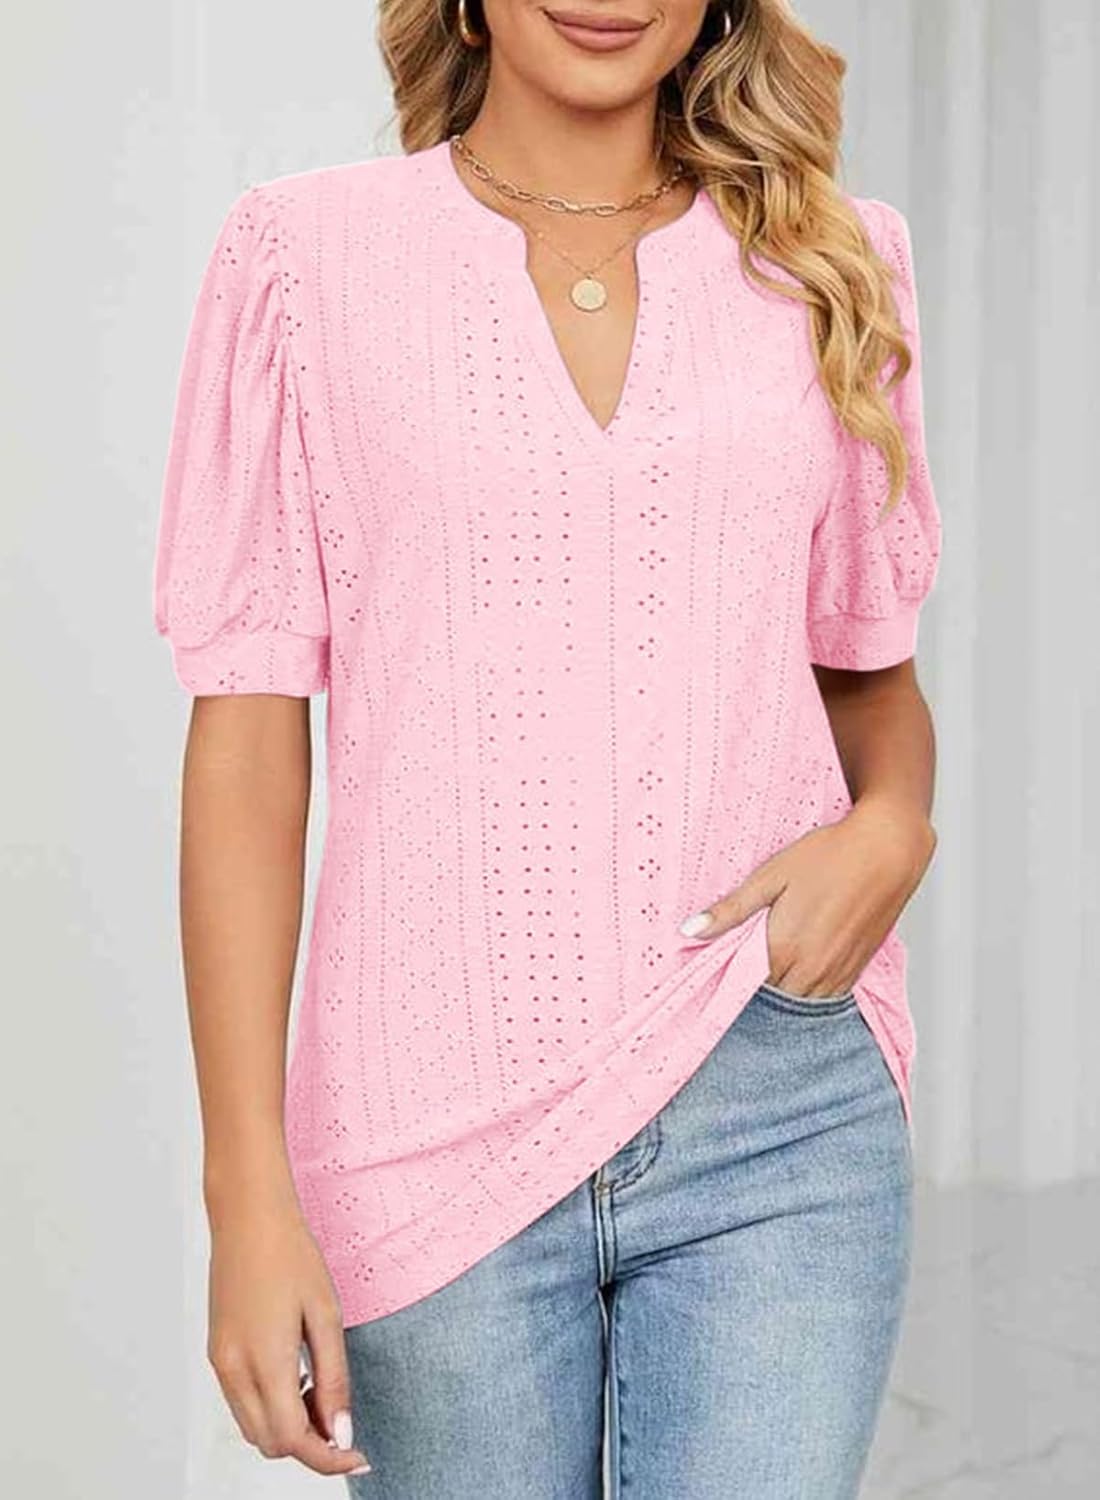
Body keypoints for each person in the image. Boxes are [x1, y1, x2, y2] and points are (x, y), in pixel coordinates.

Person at [151, 0, 943, 1494]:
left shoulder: (834, 260)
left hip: (774, 1092)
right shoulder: (304, 262)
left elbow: (869, 674)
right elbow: (247, 739)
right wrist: (245, 1193)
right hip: (419, 1123)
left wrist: (895, 824)